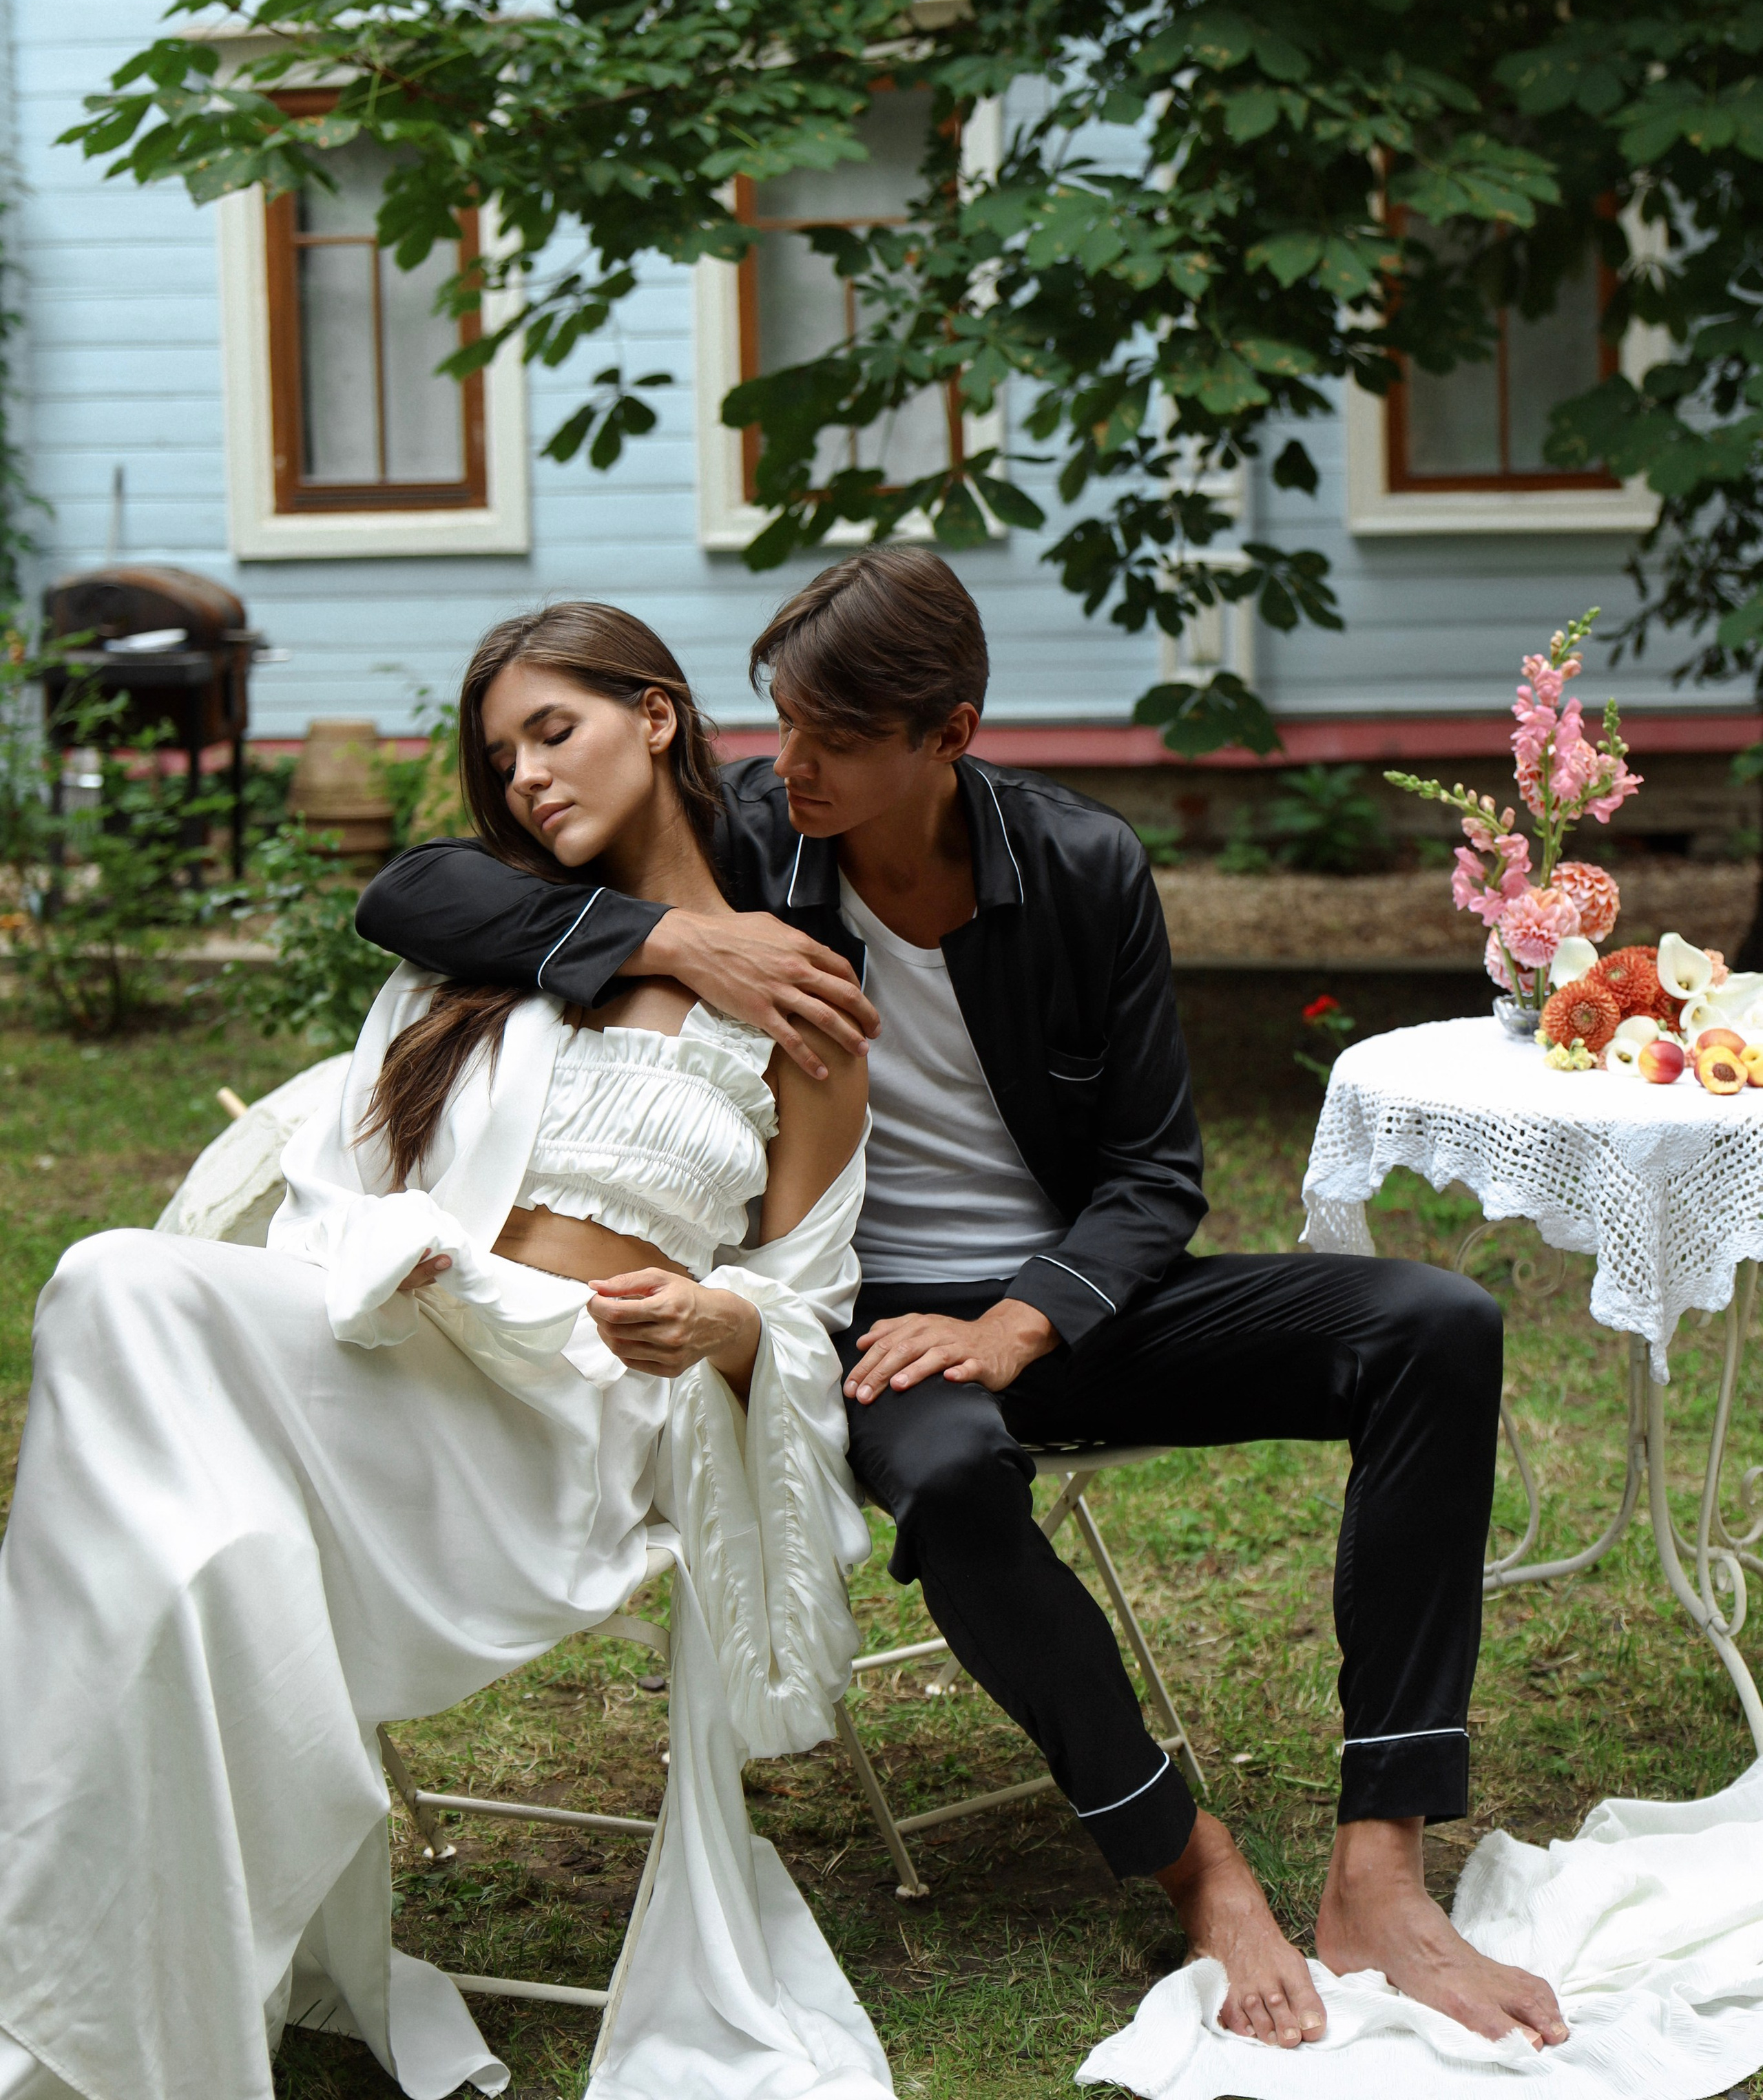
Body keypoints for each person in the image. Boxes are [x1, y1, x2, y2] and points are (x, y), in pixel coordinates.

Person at [358, 548, 1572, 2059]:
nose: (789, 766)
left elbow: (1147, 1173)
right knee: (945, 1465)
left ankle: (1379, 1868)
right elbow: (413, 891)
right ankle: (1189, 1861)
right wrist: (675, 937)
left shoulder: (1077, 866)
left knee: (1430, 1326)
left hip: (1066, 1309)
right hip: (863, 1321)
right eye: (779, 724)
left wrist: (1022, 1322)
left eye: (836, 741)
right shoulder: (748, 842)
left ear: (948, 733)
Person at [0, 605, 887, 2100]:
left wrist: (720, 1322)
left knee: (112, 1293)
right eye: (502, 756)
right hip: (399, 1363)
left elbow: (804, 1297)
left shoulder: (798, 1006)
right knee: (169, 1521)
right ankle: (91, 2001)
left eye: (557, 731)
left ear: (656, 716)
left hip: (569, 1425)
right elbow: (343, 1179)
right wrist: (397, 1248)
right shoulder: (485, 954)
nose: (528, 778)